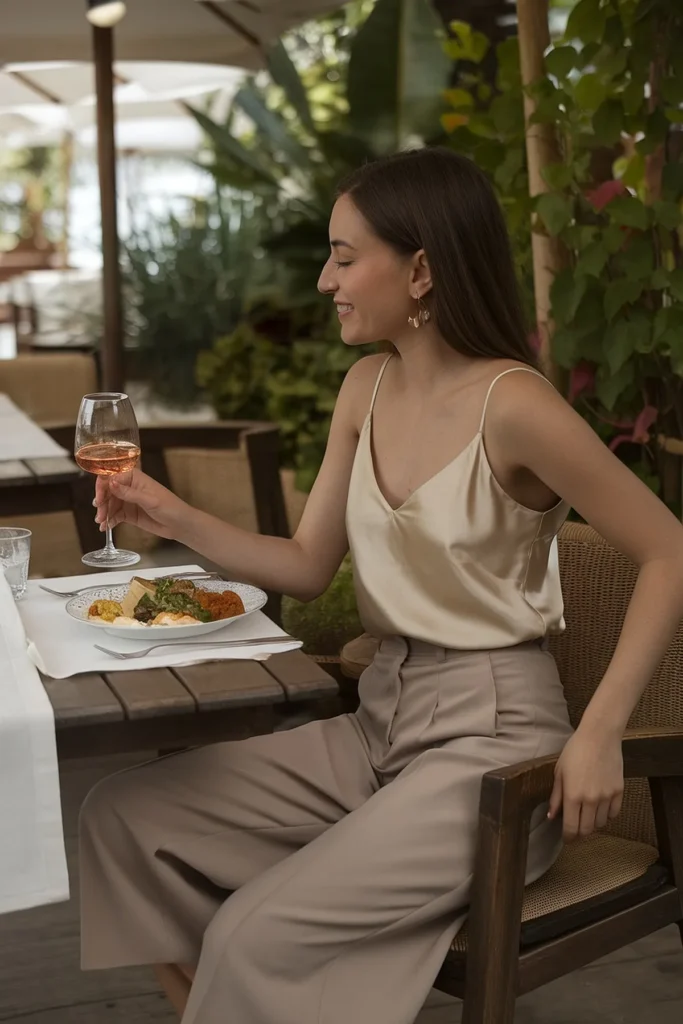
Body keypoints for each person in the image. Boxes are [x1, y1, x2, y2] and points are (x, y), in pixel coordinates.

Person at [79, 148, 683, 1024]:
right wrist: (170, 517)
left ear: (423, 269)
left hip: (495, 747)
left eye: (344, 255)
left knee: (255, 933)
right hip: (377, 722)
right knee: (125, 816)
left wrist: (599, 733)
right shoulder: (364, 387)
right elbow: (305, 564)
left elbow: (667, 549)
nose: (326, 280)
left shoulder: (515, 407)